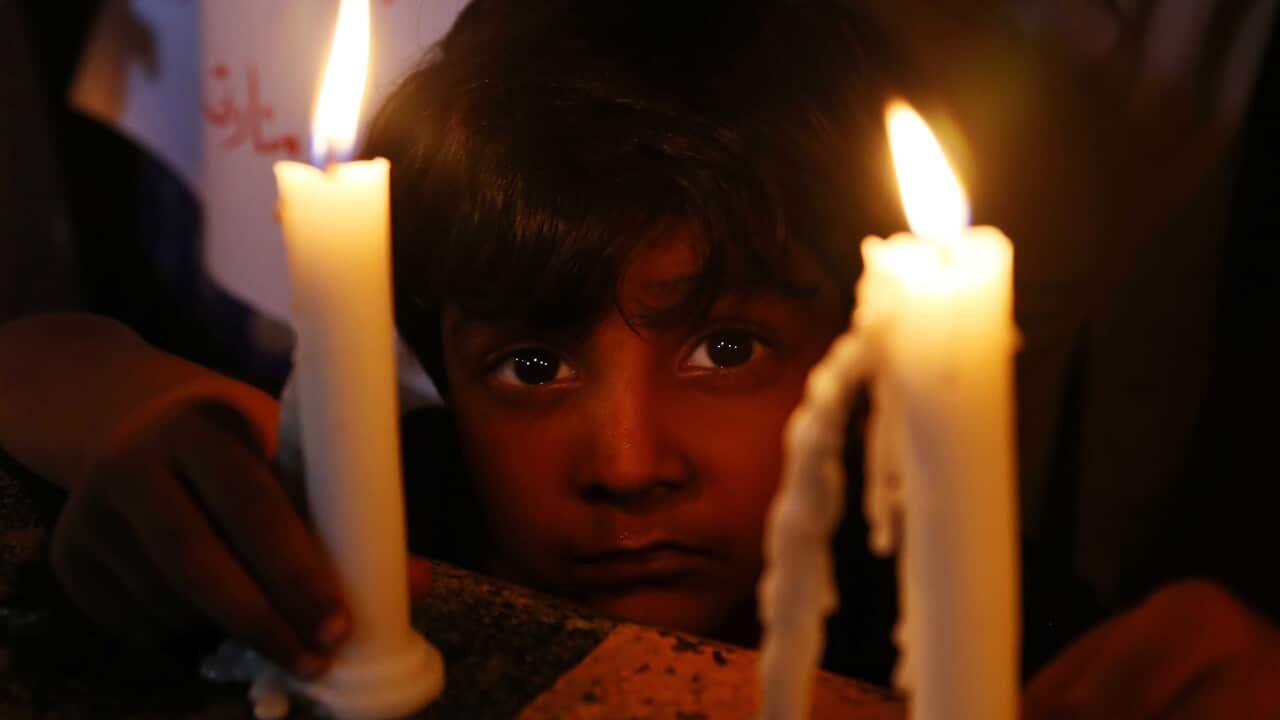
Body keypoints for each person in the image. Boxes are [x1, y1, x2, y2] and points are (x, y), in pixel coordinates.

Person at [0, 1, 1277, 717]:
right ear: (435, 351)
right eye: (534, 369)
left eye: (723, 348)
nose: (625, 465)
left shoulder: (973, 618)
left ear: (850, 339)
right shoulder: (362, 529)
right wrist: (130, 407)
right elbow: (38, 364)